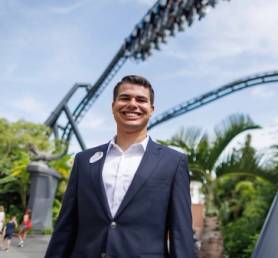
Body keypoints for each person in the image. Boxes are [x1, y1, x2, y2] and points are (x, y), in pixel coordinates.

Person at [45, 75, 194, 258]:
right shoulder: (84, 160)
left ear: (151, 109)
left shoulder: (173, 162)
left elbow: (181, 233)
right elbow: (65, 227)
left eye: (141, 100)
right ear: (113, 105)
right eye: (125, 98)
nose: (132, 104)